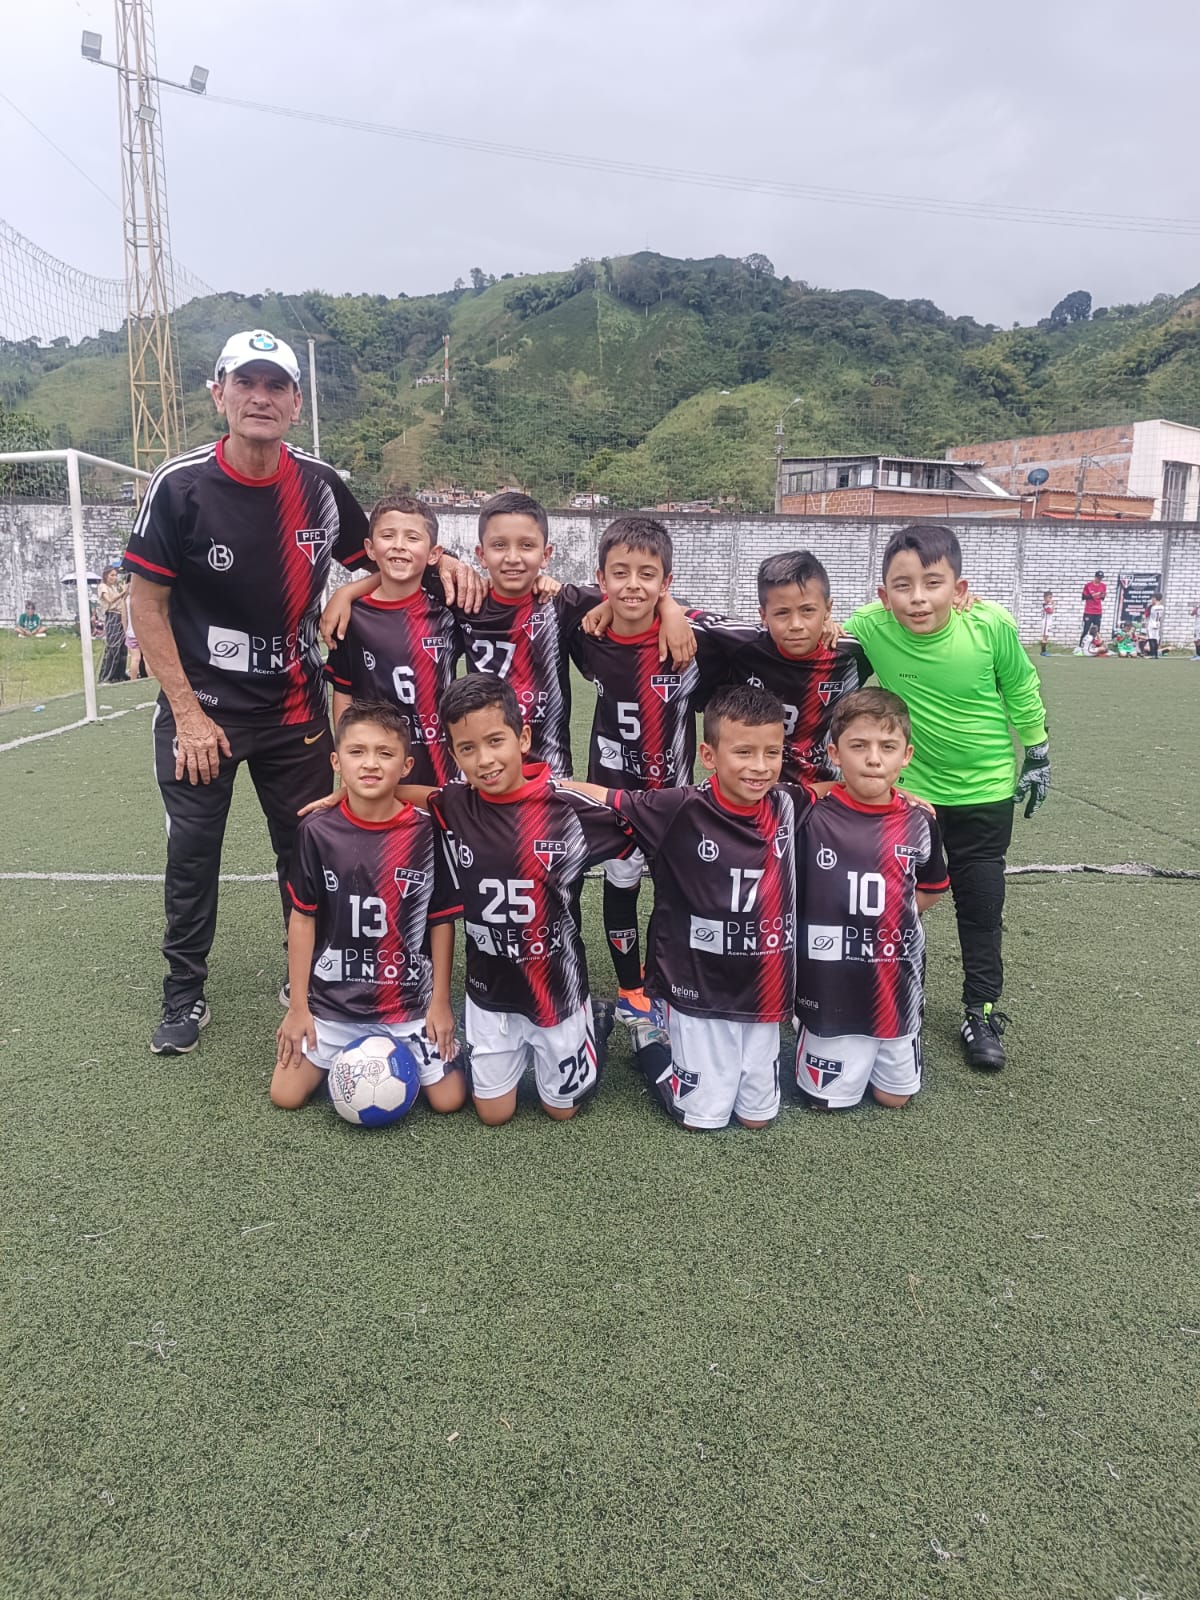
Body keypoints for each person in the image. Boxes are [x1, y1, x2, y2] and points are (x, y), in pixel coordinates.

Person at [125, 329, 475, 1057]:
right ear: (218, 393)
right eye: (244, 383)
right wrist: (186, 714)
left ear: (294, 402)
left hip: (294, 706)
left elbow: (382, 556)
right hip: (206, 714)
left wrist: (441, 566)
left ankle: (309, 979)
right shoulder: (181, 485)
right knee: (194, 852)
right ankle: (183, 994)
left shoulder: (318, 483)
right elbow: (146, 604)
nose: (260, 397)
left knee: (310, 844)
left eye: (275, 385)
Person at [842, 524, 1050, 1072]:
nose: (918, 598)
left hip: (985, 794)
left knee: (981, 907)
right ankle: (876, 996)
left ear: (959, 590)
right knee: (892, 902)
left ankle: (979, 1012)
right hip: (912, 797)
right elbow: (816, 636)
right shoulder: (869, 626)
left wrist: (1038, 751)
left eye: (932, 583)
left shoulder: (991, 626)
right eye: (902, 586)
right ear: (884, 595)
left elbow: (1021, 687)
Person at [567, 683, 813, 1131]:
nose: (759, 768)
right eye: (743, 752)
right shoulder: (678, 808)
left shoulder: (788, 801)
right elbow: (600, 797)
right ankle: (650, 1042)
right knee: (702, 1118)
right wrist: (532, 786)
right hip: (698, 989)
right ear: (709, 754)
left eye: (772, 753)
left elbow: (836, 792)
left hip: (764, 987)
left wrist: (903, 795)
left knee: (757, 1119)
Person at [428, 675, 635, 1126]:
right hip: (490, 991)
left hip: (556, 991)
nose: (484, 760)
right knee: (493, 1114)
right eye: (467, 749)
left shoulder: (571, 808)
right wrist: (348, 792)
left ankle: (592, 1027)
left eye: (495, 741)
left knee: (560, 1111)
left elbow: (651, 820)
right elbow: (405, 800)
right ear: (454, 754)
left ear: (523, 738)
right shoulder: (454, 804)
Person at [271, 701, 467, 1114]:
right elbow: (302, 918)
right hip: (334, 1004)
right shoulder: (316, 830)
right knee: (285, 1096)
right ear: (336, 762)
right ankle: (351, 1055)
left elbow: (441, 921)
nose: (370, 764)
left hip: (408, 1001)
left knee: (450, 1101)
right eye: (356, 752)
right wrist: (299, 1008)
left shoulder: (426, 830)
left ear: (406, 765)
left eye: (385, 753)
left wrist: (440, 1003)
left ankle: (406, 1048)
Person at [567, 516, 723, 1025]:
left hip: (673, 796)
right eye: (620, 573)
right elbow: (555, 594)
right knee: (620, 888)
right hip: (613, 792)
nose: (633, 584)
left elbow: (755, 630)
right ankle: (631, 987)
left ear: (666, 582)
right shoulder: (587, 634)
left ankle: (672, 982)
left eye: (647, 574)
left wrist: (674, 612)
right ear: (601, 578)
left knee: (676, 893)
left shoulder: (692, 635)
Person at [793, 689, 948, 1110]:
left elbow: (930, 888)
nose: (874, 759)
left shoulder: (919, 821)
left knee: (894, 1098)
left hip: (895, 979)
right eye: (858, 746)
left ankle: (894, 1043)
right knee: (826, 1102)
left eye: (888, 747)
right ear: (835, 753)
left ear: (907, 755)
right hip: (830, 984)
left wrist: (892, 920)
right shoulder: (811, 814)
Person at [681, 550, 871, 783]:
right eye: (782, 613)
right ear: (763, 615)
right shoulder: (744, 641)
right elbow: (682, 612)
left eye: (808, 610)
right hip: (755, 789)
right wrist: (670, 612)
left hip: (819, 792)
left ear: (828, 610)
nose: (796, 625)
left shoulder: (851, 652)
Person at [324, 496, 460, 785]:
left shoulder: (448, 610)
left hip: (438, 764)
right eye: (388, 536)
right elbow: (344, 692)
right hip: (377, 766)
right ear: (370, 549)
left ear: (434, 553)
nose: (399, 545)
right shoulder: (352, 618)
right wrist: (348, 754)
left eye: (412, 537)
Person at [96, 566, 127, 680]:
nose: (114, 578)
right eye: (112, 575)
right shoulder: (103, 586)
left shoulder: (114, 587)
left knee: (122, 646)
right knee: (113, 646)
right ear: (106, 576)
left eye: (115, 575)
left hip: (120, 615)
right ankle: (107, 675)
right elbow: (109, 600)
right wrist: (122, 592)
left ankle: (119, 674)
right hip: (112, 615)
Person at [1080, 570, 1107, 647]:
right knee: (1086, 629)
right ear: (1095, 577)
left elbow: (1102, 597)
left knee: (1097, 630)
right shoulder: (1088, 585)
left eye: (1101, 578)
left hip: (1098, 611)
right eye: (1098, 578)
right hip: (1089, 610)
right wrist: (1095, 595)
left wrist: (1100, 595)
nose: (1099, 580)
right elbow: (1084, 597)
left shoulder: (1103, 586)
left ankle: (1095, 646)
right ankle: (1081, 646)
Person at [1146, 594, 1164, 659]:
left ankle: (1152, 654)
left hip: (1151, 623)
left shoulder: (1152, 607)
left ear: (1155, 599)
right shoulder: (1162, 607)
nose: (1152, 600)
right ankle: (1156, 654)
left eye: (1152, 598)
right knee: (1156, 639)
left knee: (1151, 639)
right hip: (1157, 624)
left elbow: (1146, 615)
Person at [1040, 590, 1054, 656]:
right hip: (1046, 622)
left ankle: (1044, 651)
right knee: (1045, 636)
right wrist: (1053, 605)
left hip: (1048, 622)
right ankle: (1043, 651)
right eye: (1049, 597)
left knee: (1046, 636)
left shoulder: (1048, 605)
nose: (1051, 599)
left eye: (1051, 597)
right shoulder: (1045, 605)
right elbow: (1050, 611)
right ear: (1045, 598)